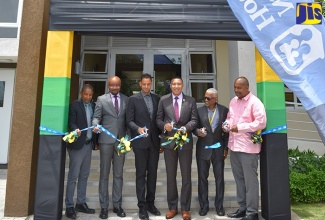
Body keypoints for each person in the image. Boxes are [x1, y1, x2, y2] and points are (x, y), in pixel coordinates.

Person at [223, 76, 267, 220]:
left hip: (248, 149)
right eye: (235, 87)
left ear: (247, 87)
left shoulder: (255, 103)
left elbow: (261, 123)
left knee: (250, 182)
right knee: (239, 180)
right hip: (234, 147)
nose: (236, 90)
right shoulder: (233, 101)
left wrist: (240, 127)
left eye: (239, 88)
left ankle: (252, 212)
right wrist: (227, 124)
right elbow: (230, 117)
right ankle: (242, 208)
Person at [156, 77, 198, 220]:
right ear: (170, 85)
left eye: (178, 84)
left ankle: (185, 209)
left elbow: (194, 120)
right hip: (169, 143)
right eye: (173, 84)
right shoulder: (163, 100)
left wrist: (186, 128)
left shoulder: (191, 101)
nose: (176, 86)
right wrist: (164, 126)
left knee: (186, 177)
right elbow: (158, 119)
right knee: (170, 176)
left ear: (182, 85)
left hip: (185, 143)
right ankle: (172, 207)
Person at [92, 76, 129, 219]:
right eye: (112, 85)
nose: (115, 87)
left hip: (121, 141)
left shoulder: (127, 99)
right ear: (108, 86)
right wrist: (95, 124)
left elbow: (128, 120)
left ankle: (117, 205)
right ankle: (104, 207)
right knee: (104, 174)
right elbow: (96, 117)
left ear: (120, 86)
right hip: (106, 141)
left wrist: (128, 138)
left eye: (117, 85)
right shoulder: (101, 99)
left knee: (118, 175)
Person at [126, 73, 162, 220]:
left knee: (152, 174)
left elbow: (158, 120)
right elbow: (129, 120)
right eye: (144, 84)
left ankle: (150, 203)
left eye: (149, 84)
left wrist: (161, 141)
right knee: (141, 174)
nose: (146, 86)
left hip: (154, 142)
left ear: (151, 84)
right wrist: (138, 129)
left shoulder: (157, 99)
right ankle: (141, 207)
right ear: (140, 84)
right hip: (140, 142)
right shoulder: (132, 99)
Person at [194, 88, 229, 217]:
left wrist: (226, 148)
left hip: (218, 149)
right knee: (202, 179)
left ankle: (219, 206)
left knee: (219, 179)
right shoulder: (199, 111)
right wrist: (198, 132)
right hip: (203, 148)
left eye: (208, 98)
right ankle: (204, 206)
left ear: (215, 99)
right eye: (205, 97)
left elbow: (226, 132)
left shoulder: (224, 110)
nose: (206, 100)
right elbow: (194, 127)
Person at [65, 84, 96, 219]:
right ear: (81, 93)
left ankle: (80, 203)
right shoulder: (74, 105)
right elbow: (71, 122)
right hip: (77, 146)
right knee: (73, 177)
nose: (87, 97)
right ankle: (69, 206)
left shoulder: (94, 106)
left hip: (88, 145)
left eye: (90, 95)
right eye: (85, 94)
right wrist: (75, 129)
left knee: (84, 176)